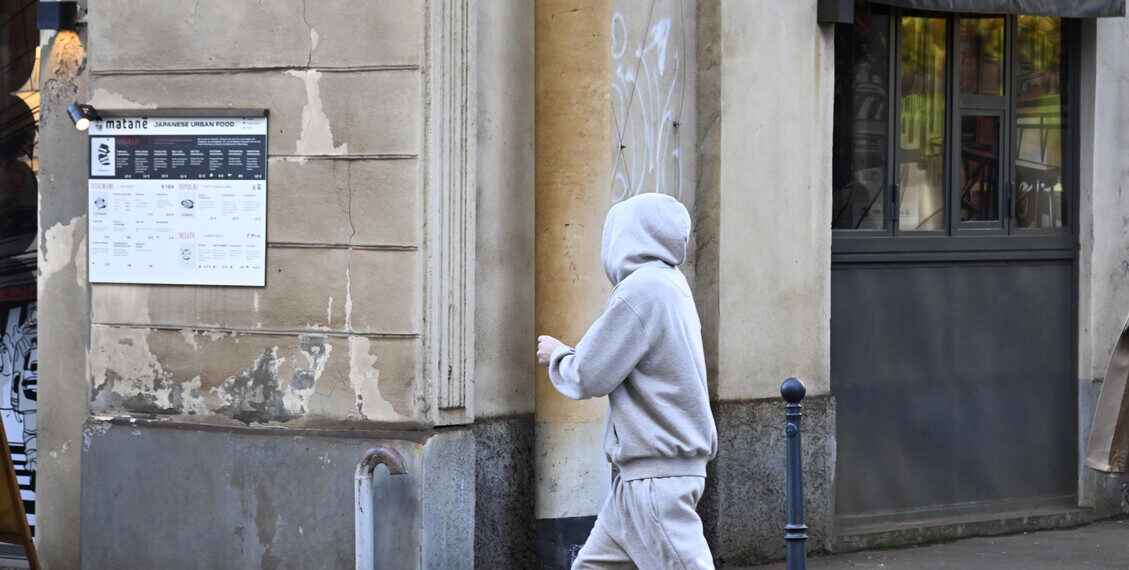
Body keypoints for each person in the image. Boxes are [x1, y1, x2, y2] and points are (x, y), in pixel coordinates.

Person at [536, 192, 717, 569]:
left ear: (626, 237)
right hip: (644, 478)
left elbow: (588, 374)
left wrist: (557, 354)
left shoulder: (642, 290)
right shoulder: (672, 286)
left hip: (655, 479)